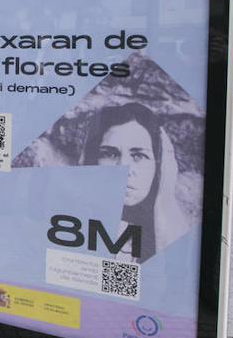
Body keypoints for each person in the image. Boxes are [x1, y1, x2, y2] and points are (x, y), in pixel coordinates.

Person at [81, 102, 191, 263]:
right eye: (110, 154)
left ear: (159, 166)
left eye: (138, 156)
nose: (124, 168)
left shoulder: (175, 237)